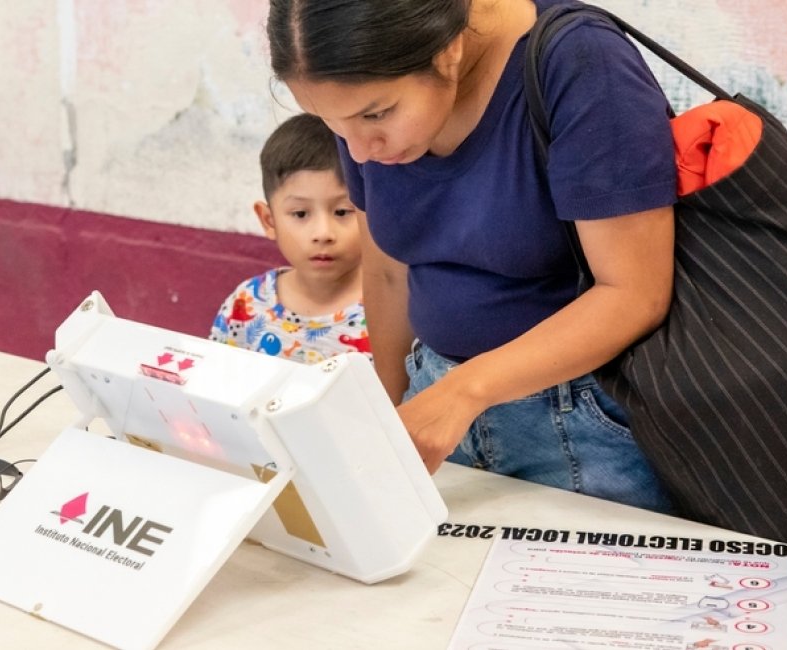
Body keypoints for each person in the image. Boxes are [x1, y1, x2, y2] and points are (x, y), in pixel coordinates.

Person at [265, 0, 675, 513]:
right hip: (437, 403)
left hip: (581, 424)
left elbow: (634, 293)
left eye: (377, 114)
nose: (362, 150)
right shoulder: (359, 112)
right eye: (333, 123)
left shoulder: (580, 61)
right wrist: (392, 416)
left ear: (450, 49)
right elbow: (388, 270)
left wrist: (463, 393)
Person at [209, 113, 372, 365]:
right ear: (268, 220)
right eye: (300, 214)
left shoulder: (390, 311)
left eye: (342, 212)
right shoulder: (246, 304)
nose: (323, 234)